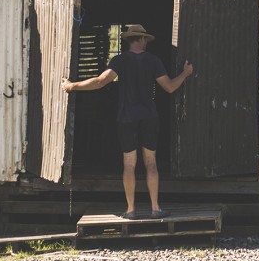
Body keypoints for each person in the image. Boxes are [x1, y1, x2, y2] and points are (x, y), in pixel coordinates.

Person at [61, 24, 194, 219]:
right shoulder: (153, 61)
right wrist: (185, 73)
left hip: (126, 118)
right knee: (151, 163)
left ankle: (131, 210)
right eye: (145, 40)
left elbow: (100, 82)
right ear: (142, 39)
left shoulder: (120, 61)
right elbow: (170, 87)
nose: (146, 42)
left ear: (129, 40)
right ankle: (155, 208)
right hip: (149, 117)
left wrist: (72, 86)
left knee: (129, 165)